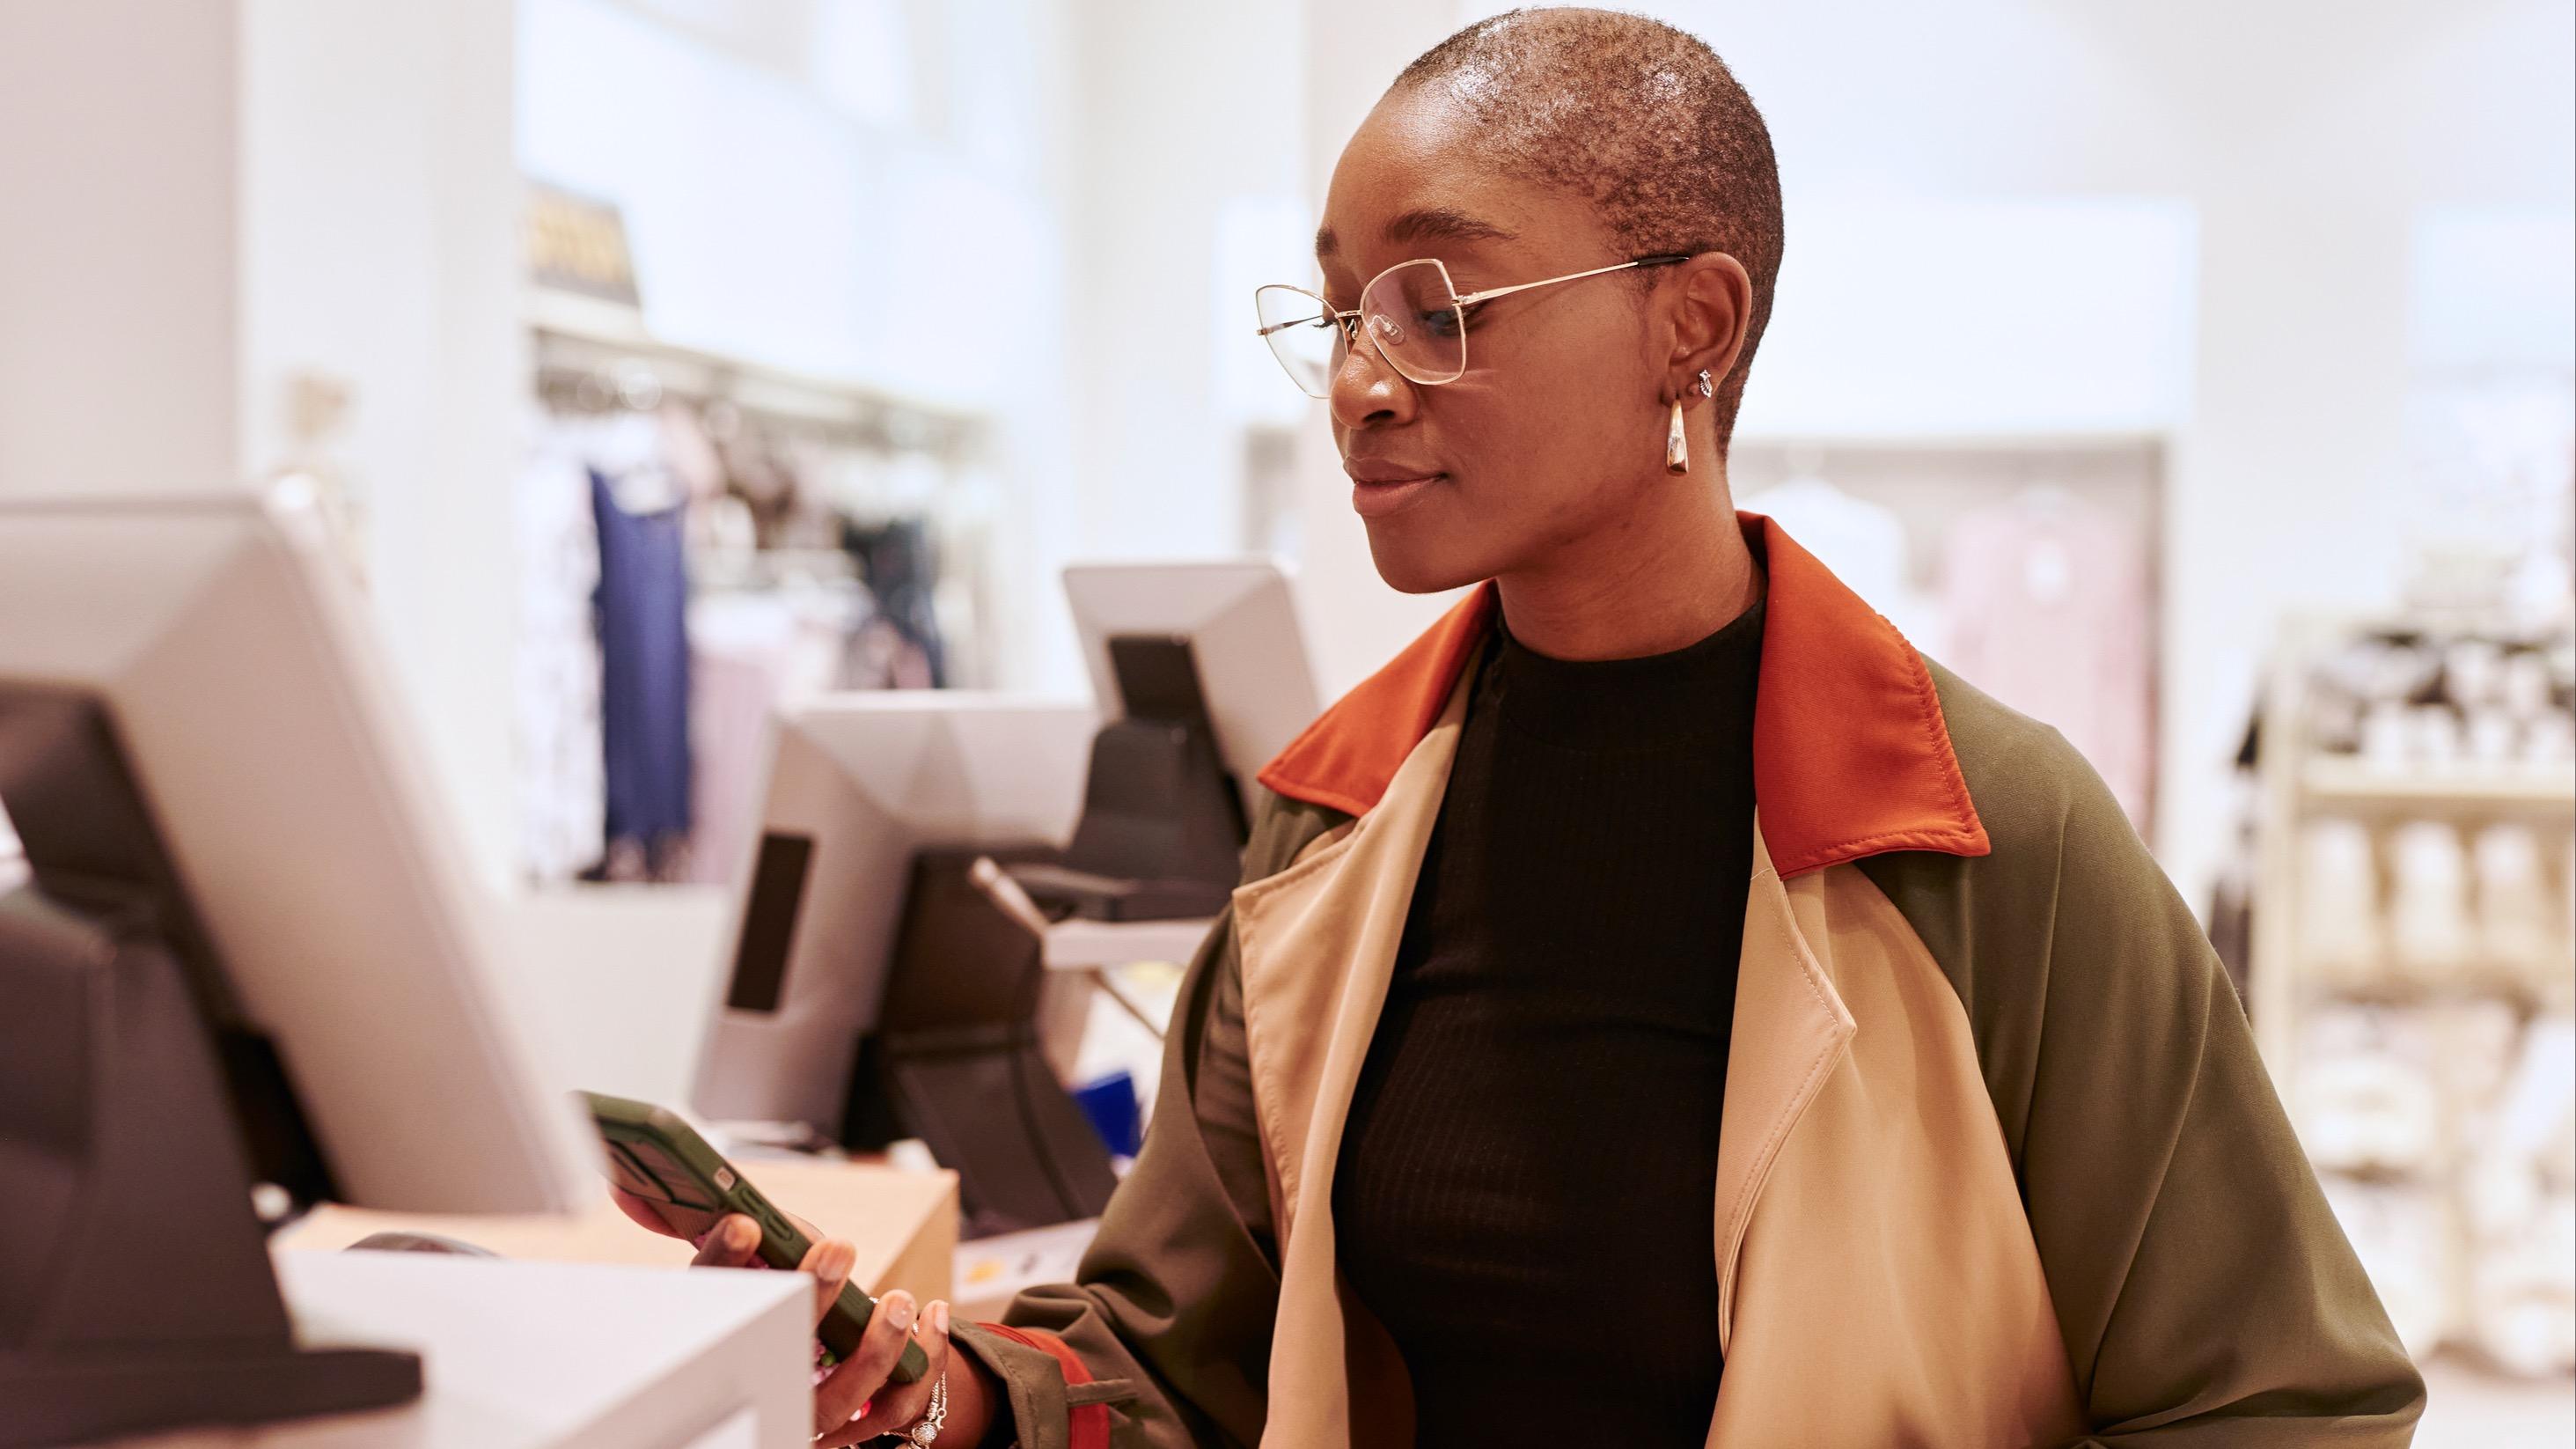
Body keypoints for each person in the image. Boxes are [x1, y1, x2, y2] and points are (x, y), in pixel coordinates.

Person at [624, 10, 2426, 1445]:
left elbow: (2285, 1401)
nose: (1358, 380)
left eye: (1436, 304)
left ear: (1691, 327)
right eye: (1339, 310)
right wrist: (944, 1388)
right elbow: (1182, 1360)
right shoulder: (1329, 831)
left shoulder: (1989, 841)